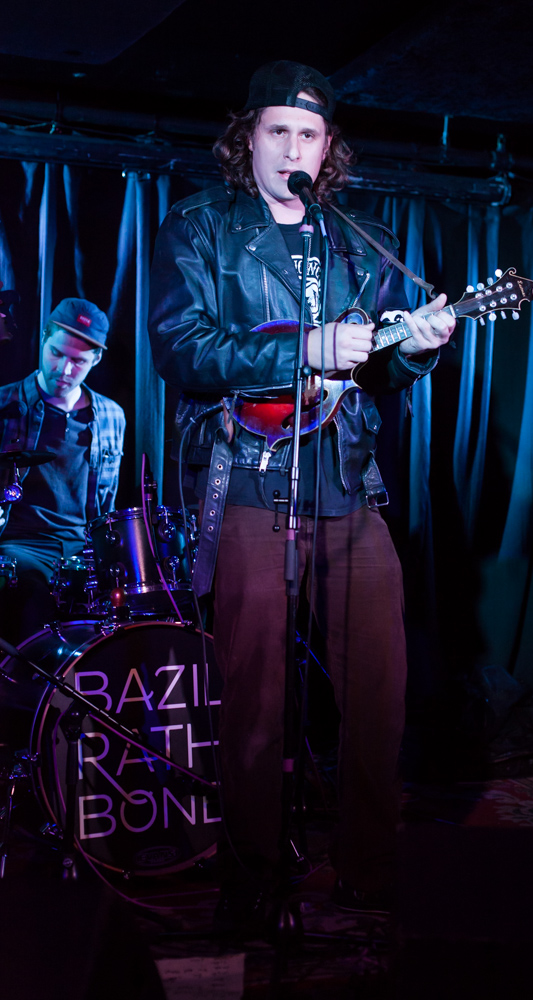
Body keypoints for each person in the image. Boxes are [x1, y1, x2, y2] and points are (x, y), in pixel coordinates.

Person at [148, 60, 455, 925]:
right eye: (276, 130)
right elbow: (184, 350)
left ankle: (370, 868)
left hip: (347, 485)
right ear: (246, 138)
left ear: (329, 151)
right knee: (253, 698)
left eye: (308, 135)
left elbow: (385, 368)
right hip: (246, 483)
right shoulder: (199, 229)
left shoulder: (358, 241)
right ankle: (251, 878)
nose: (292, 147)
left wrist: (421, 343)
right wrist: (306, 350)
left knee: (378, 690)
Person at [0, 298, 125, 643]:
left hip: (82, 547)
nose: (64, 370)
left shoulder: (112, 415)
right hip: (20, 543)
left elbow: (106, 504)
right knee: (31, 600)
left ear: (96, 359)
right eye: (57, 353)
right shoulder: (6, 404)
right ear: (43, 339)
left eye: (78, 361)